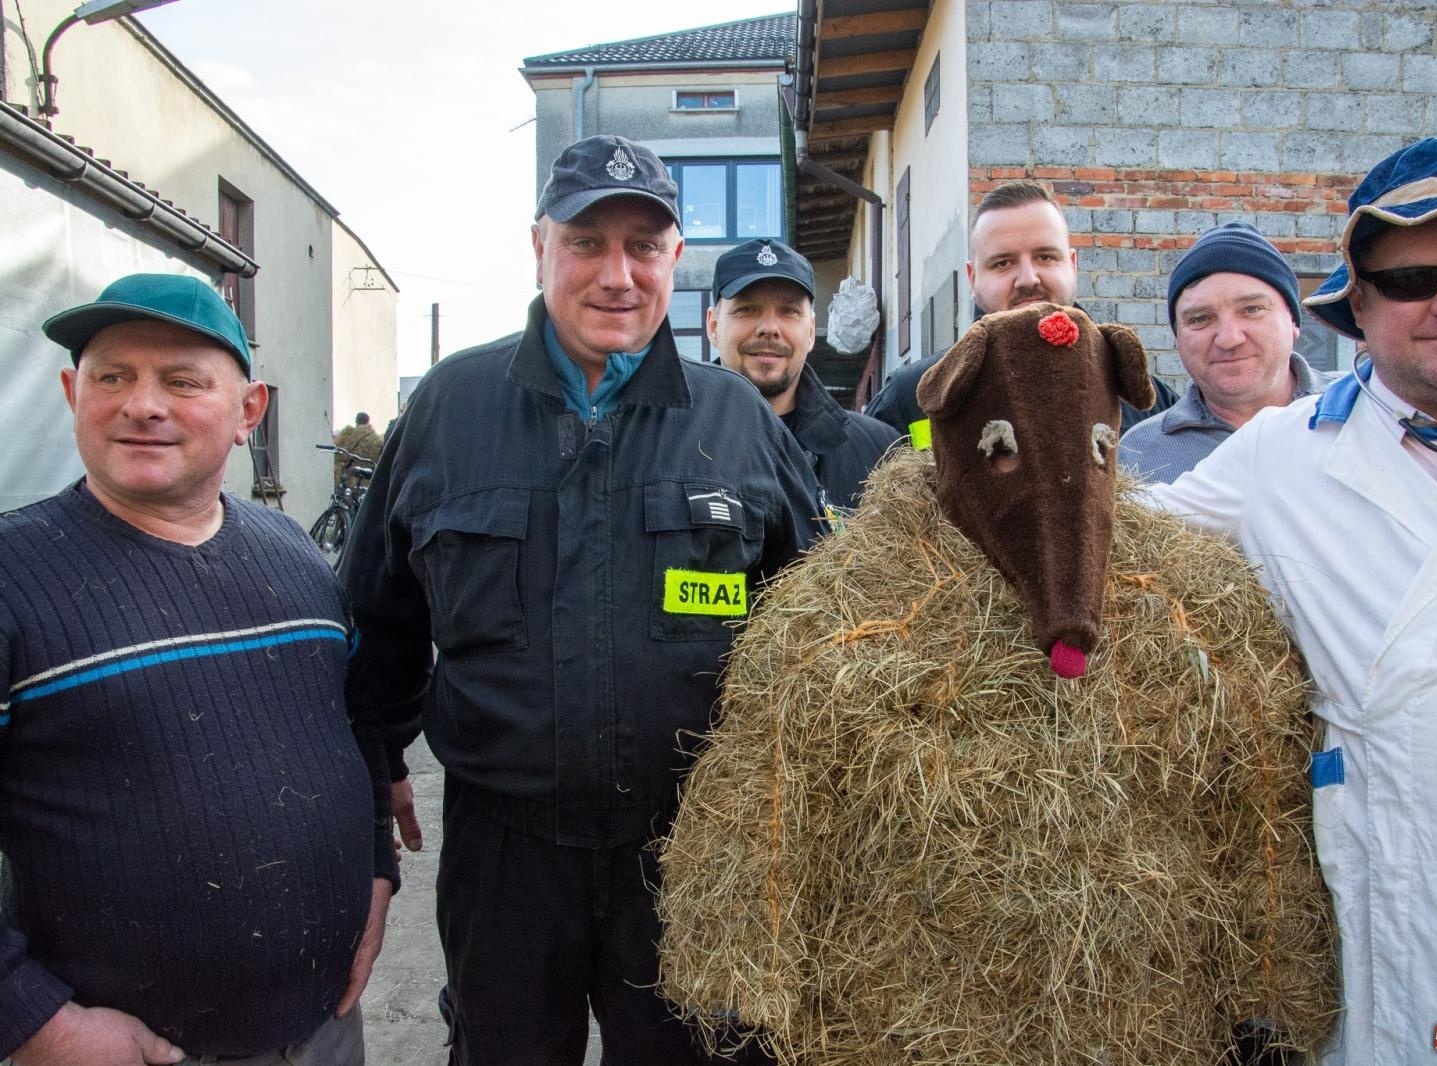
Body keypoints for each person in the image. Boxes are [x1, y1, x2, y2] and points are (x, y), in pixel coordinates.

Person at [339, 134, 822, 1066]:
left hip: (691, 854)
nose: (617, 274)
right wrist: (378, 762)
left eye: (643, 246)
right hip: (506, 854)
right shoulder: (448, 408)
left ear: (675, 261)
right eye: (586, 243)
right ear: (539, 248)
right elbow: (378, 622)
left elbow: (822, 627)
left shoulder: (736, 421)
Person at [1149, 138, 1437, 1063]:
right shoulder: (1282, 455)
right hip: (1396, 902)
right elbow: (1108, 541)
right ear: (1357, 306)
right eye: (1409, 280)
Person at [0, 274, 395, 1066]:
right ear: (75, 392)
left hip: (321, 1033)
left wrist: (377, 871)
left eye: (182, 381)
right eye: (113, 377)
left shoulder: (295, 556)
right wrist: (36, 1021)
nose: (144, 404)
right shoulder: (15, 576)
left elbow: (354, 726)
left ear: (249, 411)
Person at [865, 178, 1176, 446]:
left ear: (1073, 266)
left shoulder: (1143, 398)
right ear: (973, 279)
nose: (1028, 278)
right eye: (1003, 263)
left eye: (1045, 257)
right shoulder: (910, 397)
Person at [1119, 221, 1333, 483]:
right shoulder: (1136, 456)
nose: (1229, 338)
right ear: (1178, 337)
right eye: (1200, 319)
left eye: (1252, 309)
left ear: (1293, 322)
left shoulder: (1361, 409)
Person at [708, 238, 899, 510]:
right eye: (747, 309)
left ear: (810, 331)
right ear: (713, 326)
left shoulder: (879, 452)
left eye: (789, 311)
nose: (770, 328)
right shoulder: (671, 444)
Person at [331, 411, 382, 488]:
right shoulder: (377, 439)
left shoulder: (348, 436)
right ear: (368, 421)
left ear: (356, 421)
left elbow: (340, 456)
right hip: (369, 480)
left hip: (351, 479)